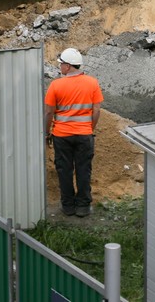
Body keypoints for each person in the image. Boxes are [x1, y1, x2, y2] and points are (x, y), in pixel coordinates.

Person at [43, 48, 103, 218]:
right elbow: (96, 110)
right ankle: (83, 206)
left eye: (61, 64)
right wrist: (89, 129)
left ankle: (68, 206)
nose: (60, 66)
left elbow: (49, 112)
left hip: (62, 136)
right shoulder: (92, 83)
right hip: (85, 135)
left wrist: (47, 133)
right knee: (84, 170)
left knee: (65, 170)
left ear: (68, 66)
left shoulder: (56, 85)